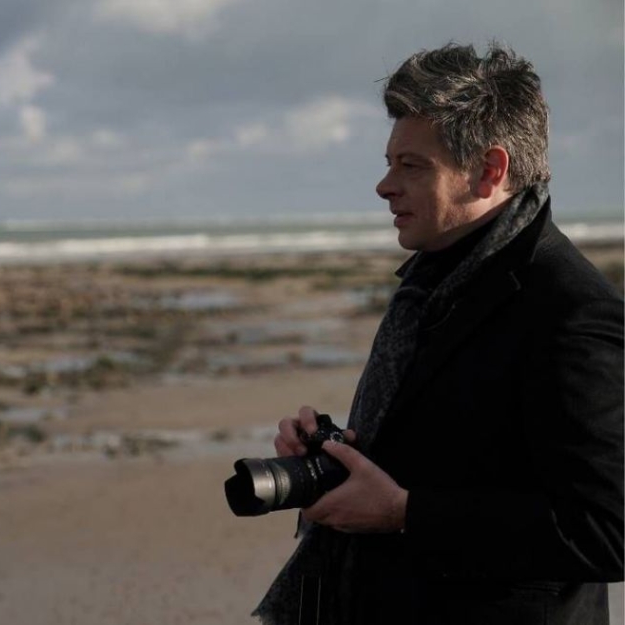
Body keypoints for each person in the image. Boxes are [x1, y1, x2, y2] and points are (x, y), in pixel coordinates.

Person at [255, 43, 624, 625]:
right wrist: (337, 460)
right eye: (388, 162)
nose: (383, 186)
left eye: (411, 165)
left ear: (489, 169)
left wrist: (404, 512)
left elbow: (609, 530)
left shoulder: (570, 310)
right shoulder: (433, 284)